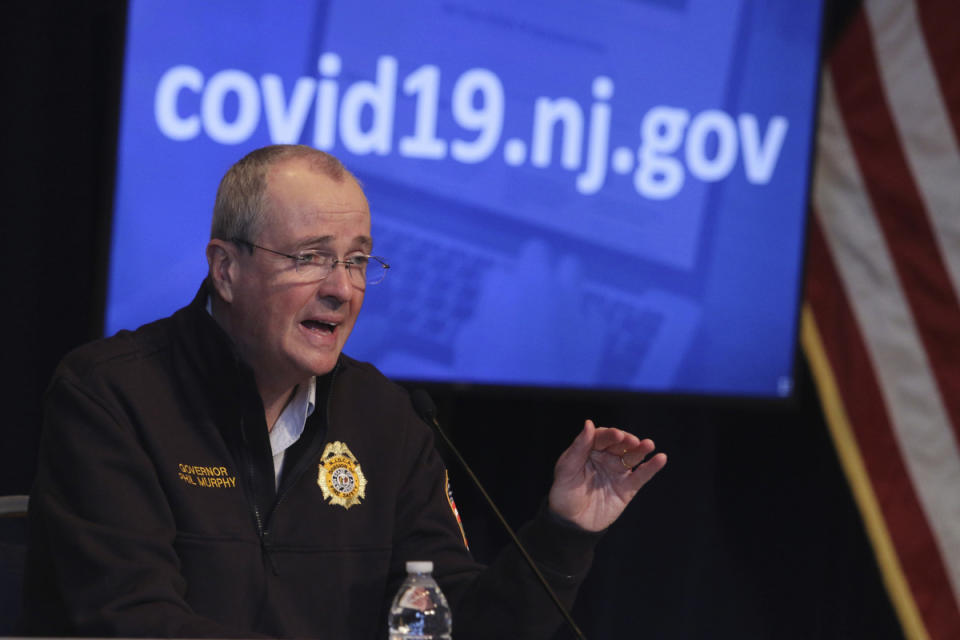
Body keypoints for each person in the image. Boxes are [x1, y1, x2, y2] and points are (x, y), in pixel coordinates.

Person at [23, 145, 666, 638]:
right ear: (226, 269)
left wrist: (564, 533)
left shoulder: (387, 417)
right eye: (310, 256)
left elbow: (447, 627)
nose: (343, 288)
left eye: (357, 260)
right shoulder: (112, 395)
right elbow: (134, 623)